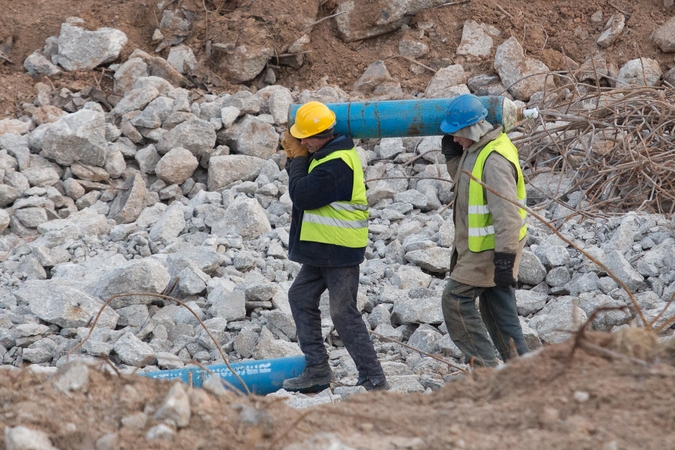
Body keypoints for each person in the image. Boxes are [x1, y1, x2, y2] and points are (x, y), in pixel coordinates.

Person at [279, 101, 389, 392]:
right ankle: (317, 369)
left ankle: (374, 378)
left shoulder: (337, 163)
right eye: (299, 137)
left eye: (307, 138)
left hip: (339, 251)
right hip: (322, 249)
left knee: (342, 313)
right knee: (300, 296)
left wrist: (297, 159)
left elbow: (302, 194)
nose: (302, 142)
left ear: (326, 134)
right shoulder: (325, 152)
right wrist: (299, 159)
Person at [439, 93, 530, 367]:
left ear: (471, 129)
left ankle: (485, 371)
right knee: (499, 312)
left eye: (456, 134)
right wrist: (453, 157)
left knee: (454, 300)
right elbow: (466, 185)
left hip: (489, 251)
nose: (455, 139)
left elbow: (507, 214)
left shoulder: (494, 159)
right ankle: (525, 373)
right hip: (484, 249)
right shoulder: (479, 147)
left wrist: (505, 259)